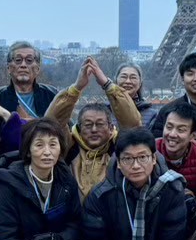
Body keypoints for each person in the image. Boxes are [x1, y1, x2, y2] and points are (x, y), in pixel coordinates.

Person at [82, 129, 191, 240]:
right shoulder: (101, 196)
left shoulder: (171, 191)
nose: (136, 165)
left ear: (154, 158)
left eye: (142, 157)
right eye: (128, 159)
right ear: (118, 163)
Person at [50, 58, 143, 198]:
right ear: (79, 128)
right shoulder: (69, 146)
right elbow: (51, 123)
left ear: (111, 128)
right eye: (88, 125)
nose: (94, 130)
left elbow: (132, 123)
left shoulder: (117, 147)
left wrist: (107, 84)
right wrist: (76, 88)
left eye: (100, 124)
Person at [158, 102, 196, 209]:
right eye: (169, 127)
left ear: (193, 135)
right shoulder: (151, 151)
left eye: (181, 130)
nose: (172, 134)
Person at [0, 42, 57, 120]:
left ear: (38, 69)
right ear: (8, 68)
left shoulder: (52, 96)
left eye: (29, 60)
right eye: (18, 60)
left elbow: (64, 124)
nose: (23, 65)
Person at [116, 63, 160, 129]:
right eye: (123, 77)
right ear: (116, 81)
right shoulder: (105, 111)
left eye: (133, 77)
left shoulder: (152, 115)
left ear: (140, 83)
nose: (128, 81)